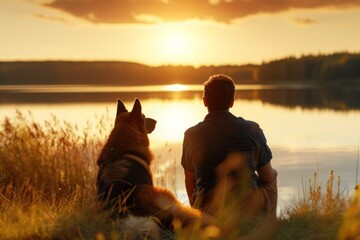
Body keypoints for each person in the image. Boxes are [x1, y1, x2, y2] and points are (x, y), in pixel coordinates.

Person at [181, 74, 277, 218]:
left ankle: (199, 221)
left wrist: (197, 212)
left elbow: (190, 180)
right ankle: (271, 224)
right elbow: (267, 176)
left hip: (208, 214)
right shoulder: (252, 129)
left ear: (204, 101)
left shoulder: (191, 135)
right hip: (248, 212)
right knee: (272, 175)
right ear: (232, 102)